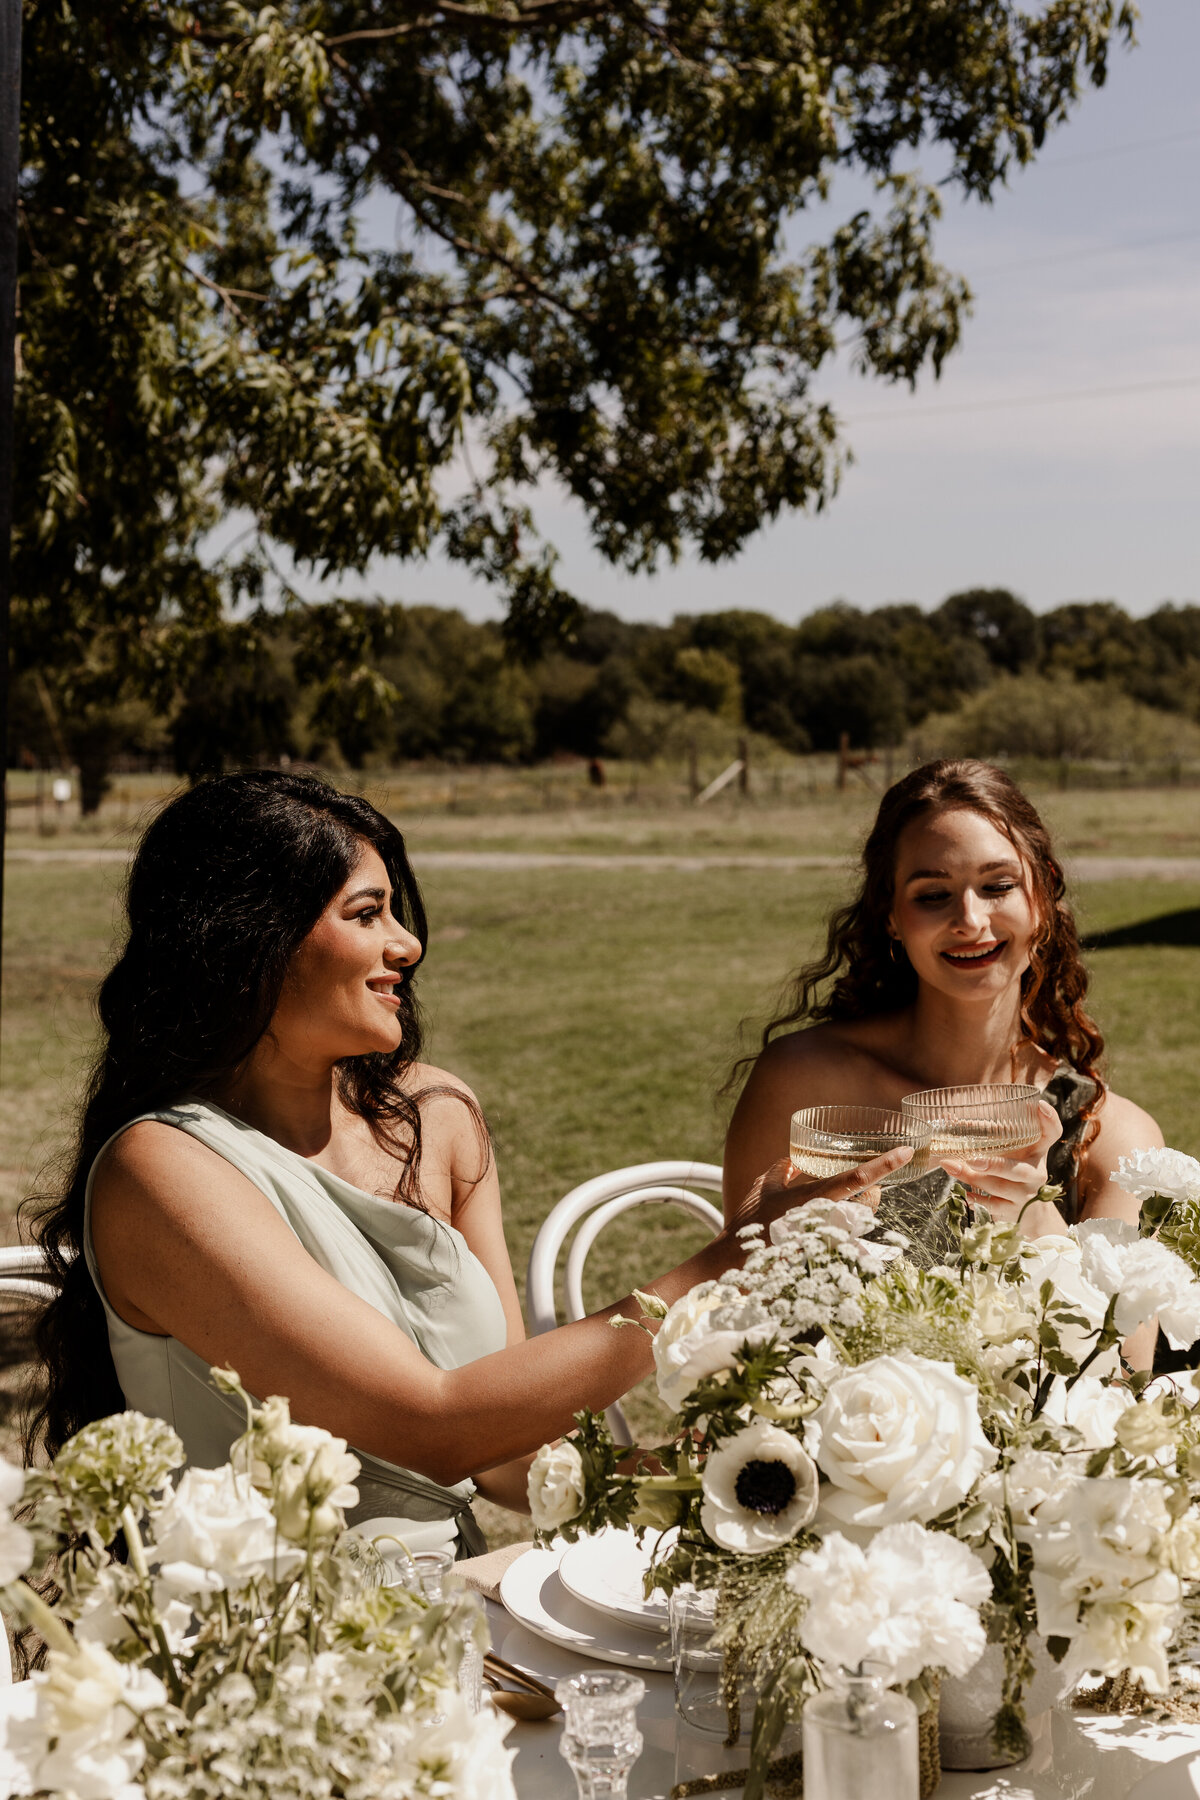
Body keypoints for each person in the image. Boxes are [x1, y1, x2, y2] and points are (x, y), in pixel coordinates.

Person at [26, 771, 906, 1554]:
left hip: (468, 1604)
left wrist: (740, 1475)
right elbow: (435, 1424)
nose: (406, 945)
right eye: (367, 915)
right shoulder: (162, 1170)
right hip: (271, 1650)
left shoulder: (435, 1117)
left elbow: (509, 1456)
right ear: (248, 942)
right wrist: (729, 1260)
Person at [723, 759, 1163, 1286]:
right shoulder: (802, 1084)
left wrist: (1041, 1224)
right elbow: (736, 1300)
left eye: (998, 886)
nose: (971, 922)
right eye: (934, 895)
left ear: (1042, 897)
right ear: (890, 913)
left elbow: (1126, 1366)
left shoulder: (1114, 1136)